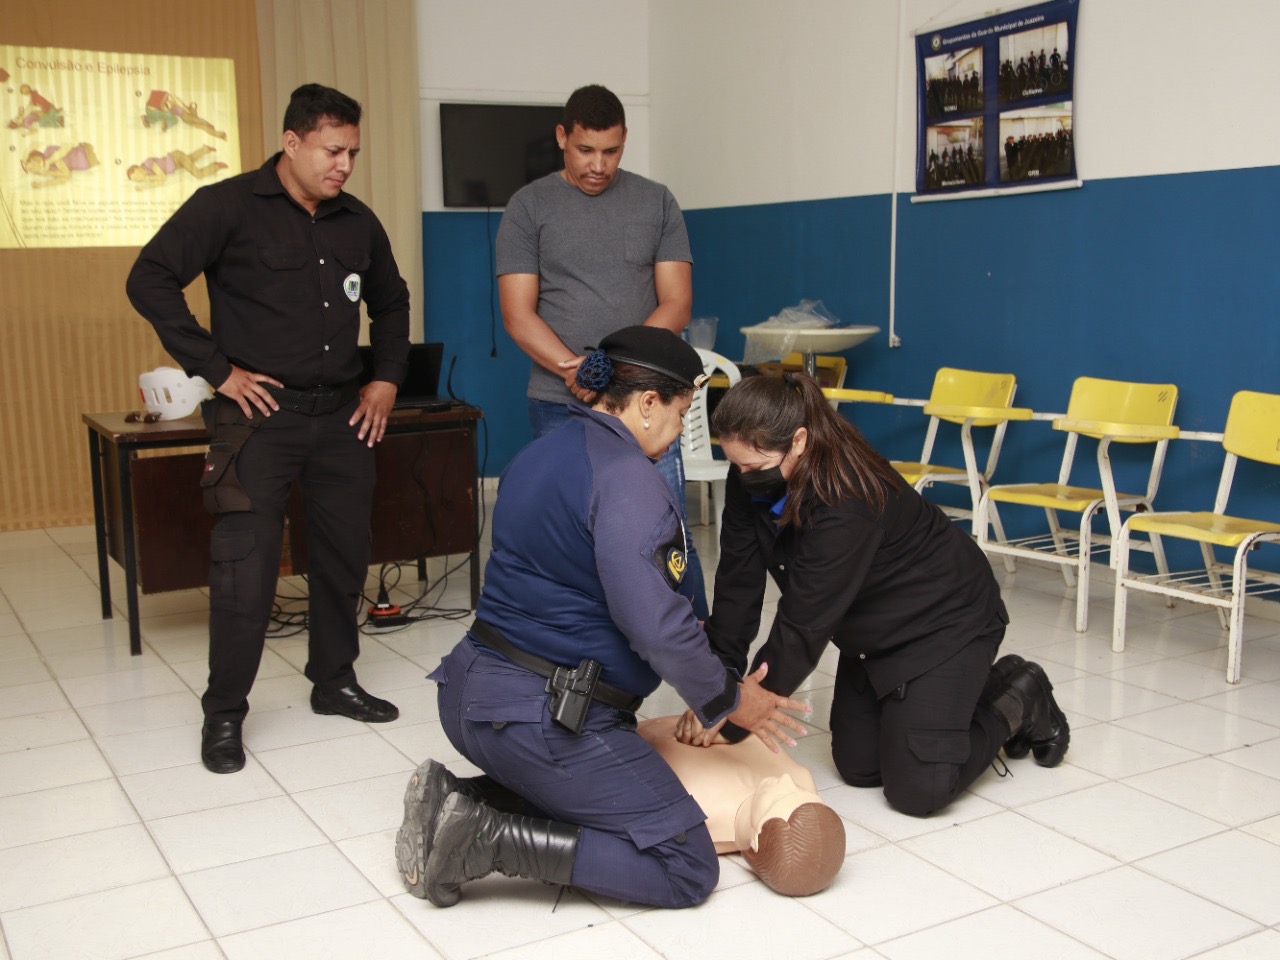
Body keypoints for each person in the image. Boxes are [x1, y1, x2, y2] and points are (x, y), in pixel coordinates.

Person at [395, 327, 809, 909]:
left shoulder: (538, 454)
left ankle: (461, 801)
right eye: (681, 412)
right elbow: (656, 627)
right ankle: (487, 840)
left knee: (609, 798)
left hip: (471, 696)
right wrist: (733, 699)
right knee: (685, 865)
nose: (680, 433)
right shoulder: (627, 479)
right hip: (544, 720)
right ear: (646, 403)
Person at [126, 83, 411, 774]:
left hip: (341, 416)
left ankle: (334, 680)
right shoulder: (227, 206)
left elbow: (392, 300)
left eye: (353, 152)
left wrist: (386, 378)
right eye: (332, 150)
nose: (344, 164)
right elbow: (149, 278)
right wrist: (217, 370)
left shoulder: (356, 221)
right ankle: (225, 713)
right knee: (243, 570)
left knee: (344, 556)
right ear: (292, 142)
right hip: (258, 420)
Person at [677, 372, 1070, 818]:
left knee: (919, 789)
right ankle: (929, 710)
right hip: (872, 634)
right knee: (860, 768)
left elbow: (804, 622)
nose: (745, 477)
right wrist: (719, 685)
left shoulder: (848, 497)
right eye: (737, 466)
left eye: (755, 467)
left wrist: (734, 715)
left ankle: (1020, 692)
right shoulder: (751, 472)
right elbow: (736, 585)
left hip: (946, 622)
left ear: (800, 440)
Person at [495, 83, 710, 619]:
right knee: (574, 534)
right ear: (562, 137)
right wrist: (576, 369)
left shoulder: (656, 200)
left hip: (647, 405)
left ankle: (706, 665)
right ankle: (588, 655)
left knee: (665, 535)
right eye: (585, 150)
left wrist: (612, 371)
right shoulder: (529, 206)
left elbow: (676, 303)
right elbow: (519, 315)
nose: (598, 165)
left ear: (624, 142)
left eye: (611, 151)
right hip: (557, 400)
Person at [638, 715, 846, 896]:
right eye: (800, 791)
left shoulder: (700, 815)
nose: (786, 780)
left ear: (755, 840)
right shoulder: (802, 778)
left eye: (778, 799)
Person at [126, 146, 228, 188]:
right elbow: (160, 182)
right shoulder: (148, 174)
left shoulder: (148, 163)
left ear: (137, 169)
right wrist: (144, 186)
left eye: (135, 177)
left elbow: (162, 177)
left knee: (198, 174)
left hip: (177, 158)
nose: (137, 180)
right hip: (177, 165)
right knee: (191, 159)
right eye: (135, 180)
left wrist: (147, 179)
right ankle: (205, 149)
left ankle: (216, 166)